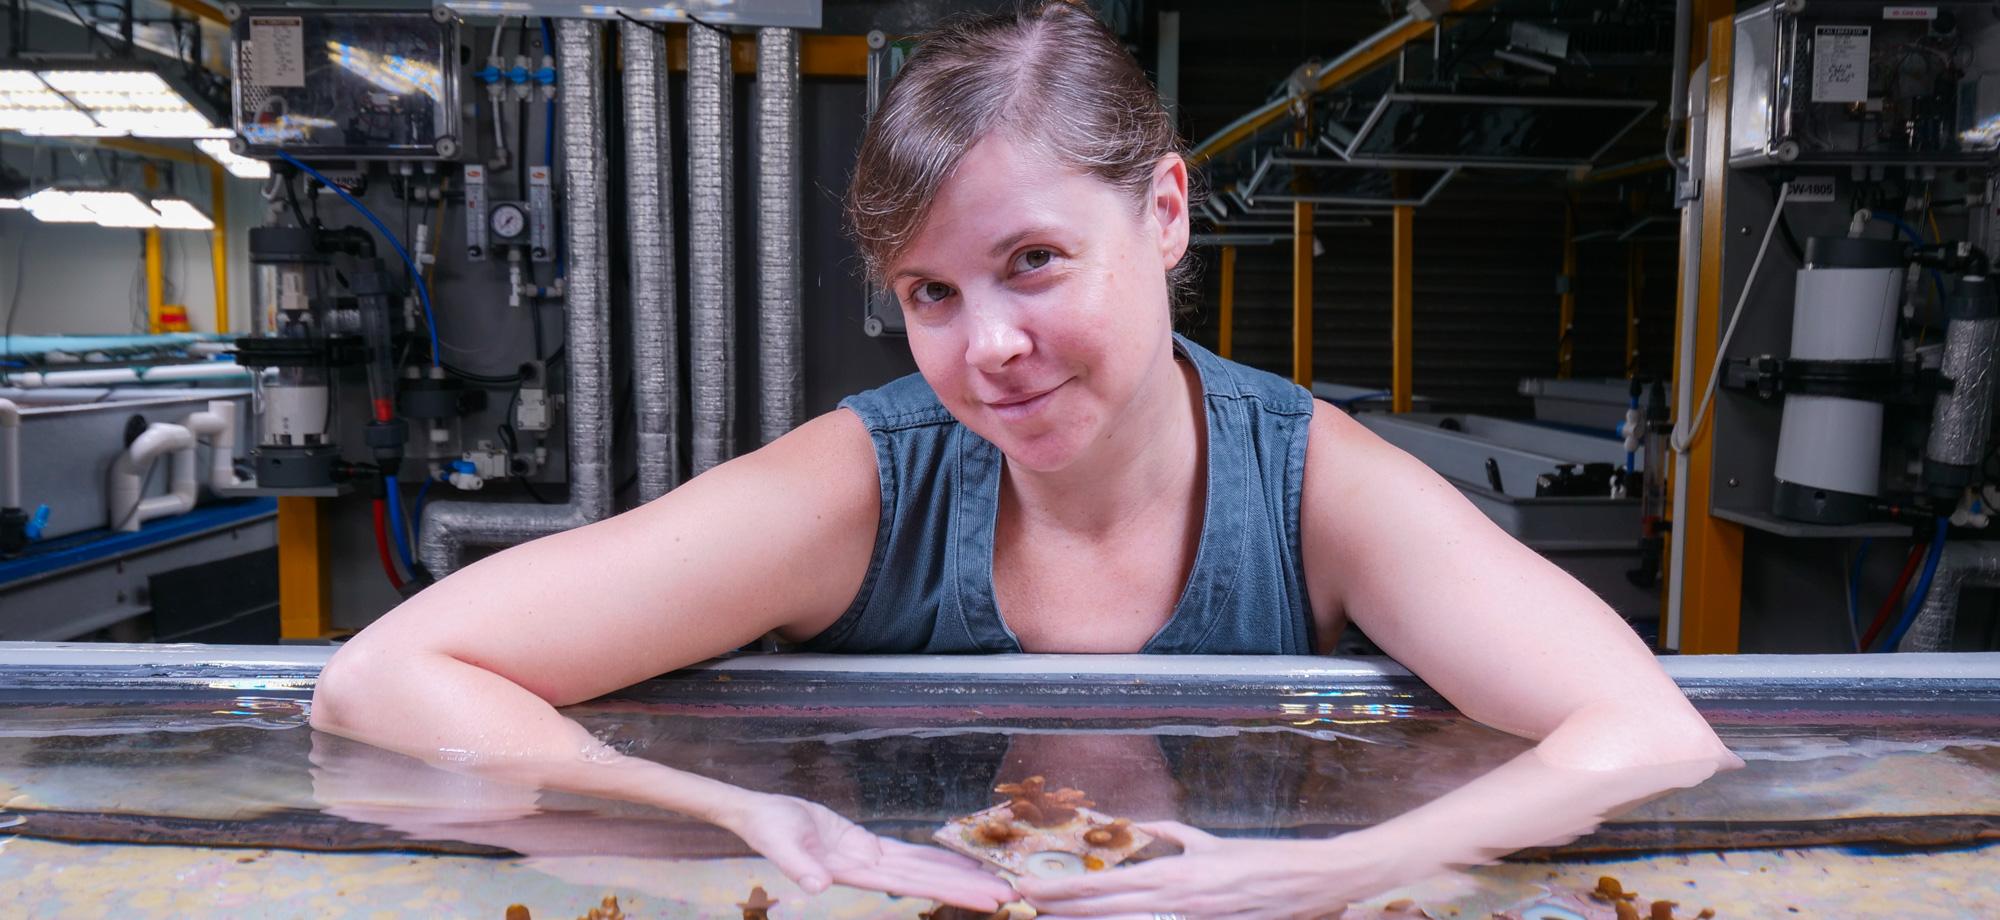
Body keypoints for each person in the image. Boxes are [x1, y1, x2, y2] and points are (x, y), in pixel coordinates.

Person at [309, 2, 1739, 917]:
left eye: (1034, 262)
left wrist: (1317, 874)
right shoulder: (861, 485)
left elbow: (1652, 734)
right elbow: (382, 679)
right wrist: (737, 811)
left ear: (1166, 211)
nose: (986, 345)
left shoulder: (1314, 480)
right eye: (932, 294)